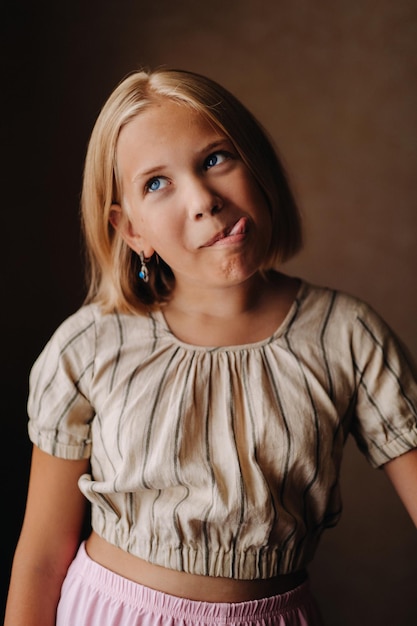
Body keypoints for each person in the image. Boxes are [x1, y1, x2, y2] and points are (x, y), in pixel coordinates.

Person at [4, 68, 417, 626]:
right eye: (156, 183)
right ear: (131, 232)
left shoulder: (346, 335)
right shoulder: (90, 346)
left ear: (257, 164)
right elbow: (40, 556)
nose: (203, 199)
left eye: (215, 159)